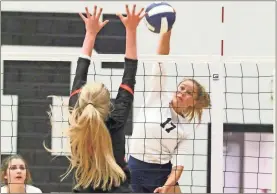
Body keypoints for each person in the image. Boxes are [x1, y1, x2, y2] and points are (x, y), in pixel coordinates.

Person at [51, 4, 145, 193]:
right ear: (108, 103)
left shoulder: (77, 116)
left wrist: (90, 33)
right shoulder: (116, 118)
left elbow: (80, 70)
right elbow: (130, 72)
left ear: (82, 97)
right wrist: (131, 30)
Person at [128, 29, 211, 193]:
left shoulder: (185, 128)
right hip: (134, 168)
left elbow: (178, 166)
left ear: (194, 103)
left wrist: (166, 186)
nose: (182, 93)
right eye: (181, 88)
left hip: (159, 174)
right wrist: (166, 31)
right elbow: (160, 60)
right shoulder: (157, 95)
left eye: (189, 93)